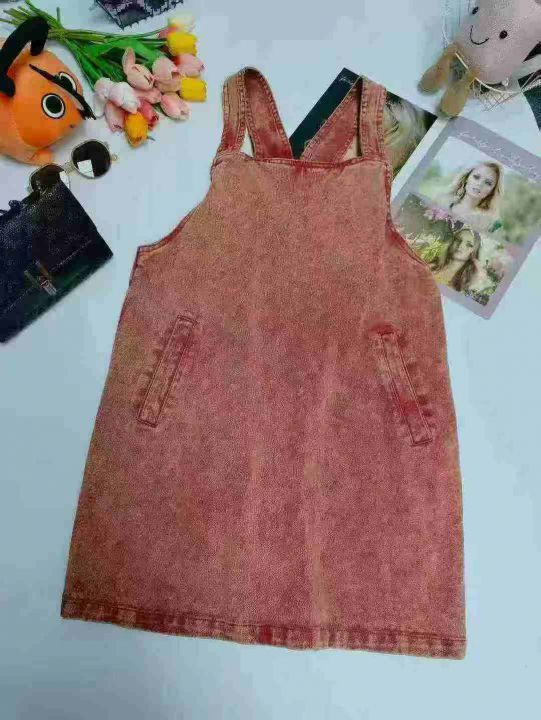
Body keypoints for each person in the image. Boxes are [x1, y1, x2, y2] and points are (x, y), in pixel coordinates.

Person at [436, 161, 503, 234]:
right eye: (476, 177)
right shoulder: (441, 201)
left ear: (492, 191)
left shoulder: (489, 223)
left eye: (488, 183)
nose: (480, 184)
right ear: (467, 178)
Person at [431, 226, 482, 291]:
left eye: (469, 245)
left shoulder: (469, 283)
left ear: (474, 252)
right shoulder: (431, 266)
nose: (460, 245)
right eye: (458, 240)